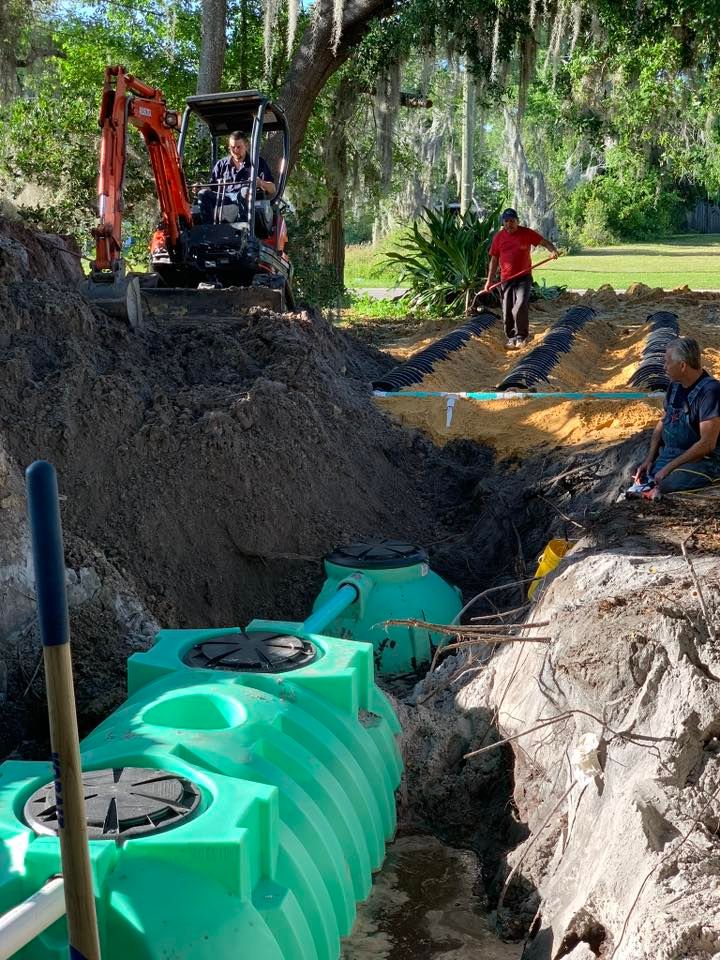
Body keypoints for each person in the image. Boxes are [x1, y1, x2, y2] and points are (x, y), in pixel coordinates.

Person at [632, 337, 720, 499]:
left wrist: (668, 468)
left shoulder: (711, 392)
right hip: (673, 454)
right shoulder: (674, 386)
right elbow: (662, 422)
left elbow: (707, 444)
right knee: (641, 475)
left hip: (703, 460)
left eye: (667, 362)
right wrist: (649, 459)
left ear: (682, 365)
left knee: (667, 484)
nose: (664, 367)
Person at [484, 208, 559, 349]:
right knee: (507, 309)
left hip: (524, 277)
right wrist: (489, 280)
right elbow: (494, 259)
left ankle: (521, 337)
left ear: (517, 221)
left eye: (512, 221)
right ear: (503, 223)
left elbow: (545, 242)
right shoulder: (499, 237)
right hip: (505, 279)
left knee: (520, 305)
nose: (509, 224)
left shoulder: (527, 233)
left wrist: (553, 250)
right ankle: (511, 337)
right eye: (506, 221)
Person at [198, 131, 275, 225]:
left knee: (245, 191)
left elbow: (272, 189)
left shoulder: (258, 163)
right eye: (232, 147)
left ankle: (242, 228)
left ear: (246, 146)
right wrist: (201, 187)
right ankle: (208, 229)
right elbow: (212, 187)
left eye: (239, 147)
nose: (235, 150)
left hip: (244, 197)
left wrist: (261, 183)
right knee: (203, 193)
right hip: (224, 198)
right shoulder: (221, 164)